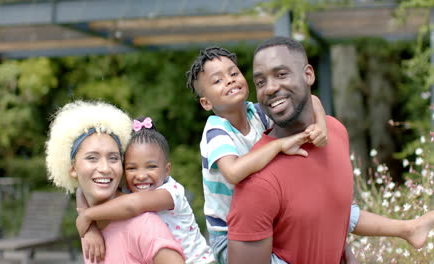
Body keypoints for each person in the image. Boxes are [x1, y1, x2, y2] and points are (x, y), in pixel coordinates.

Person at [186, 46, 434, 263]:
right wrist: (278, 146)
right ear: (207, 103)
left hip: (269, 214)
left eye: (233, 73)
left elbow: (310, 98)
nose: (229, 80)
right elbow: (233, 172)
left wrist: (321, 126)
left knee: (334, 210)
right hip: (229, 236)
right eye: (217, 81)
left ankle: (407, 228)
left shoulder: (256, 112)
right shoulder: (216, 131)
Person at [45, 100, 185, 264]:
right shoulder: (89, 225)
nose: (104, 168)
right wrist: (89, 227)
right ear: (73, 168)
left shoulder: (144, 225)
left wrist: (86, 218)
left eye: (113, 158)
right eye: (92, 158)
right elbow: (80, 193)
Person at [75, 116, 216, 264]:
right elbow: (81, 190)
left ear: (167, 170)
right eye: (132, 168)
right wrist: (90, 228)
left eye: (151, 167)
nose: (141, 176)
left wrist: (88, 215)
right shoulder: (132, 190)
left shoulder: (170, 192)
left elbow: (132, 205)